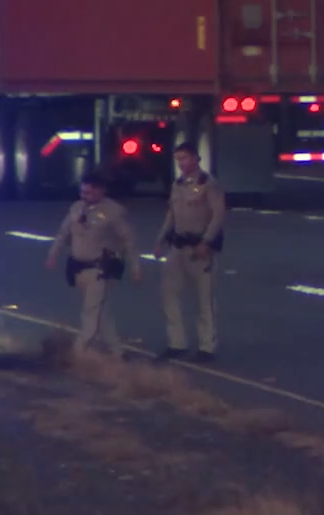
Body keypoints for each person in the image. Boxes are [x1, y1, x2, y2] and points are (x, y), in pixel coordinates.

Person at [45, 172, 140, 357]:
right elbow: (63, 233)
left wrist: (135, 267)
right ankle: (116, 352)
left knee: (91, 312)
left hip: (100, 269)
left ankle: (78, 352)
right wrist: (53, 255)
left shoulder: (114, 212)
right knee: (101, 312)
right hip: (79, 268)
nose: (84, 196)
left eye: (88, 193)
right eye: (82, 192)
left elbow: (129, 240)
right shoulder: (76, 208)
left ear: (100, 191)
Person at [154, 143, 226, 362]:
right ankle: (177, 342)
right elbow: (172, 214)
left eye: (184, 158)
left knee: (204, 298)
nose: (181, 163)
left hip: (199, 246)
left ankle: (207, 346)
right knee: (169, 293)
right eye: (178, 159)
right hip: (178, 245)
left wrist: (207, 241)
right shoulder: (178, 184)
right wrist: (160, 239)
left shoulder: (208, 184)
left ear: (195, 158)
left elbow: (218, 214)